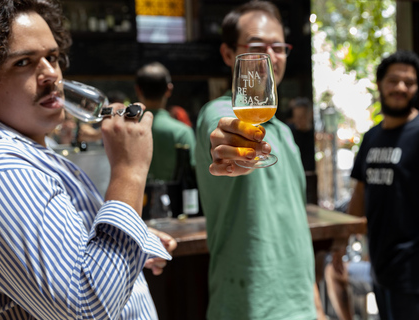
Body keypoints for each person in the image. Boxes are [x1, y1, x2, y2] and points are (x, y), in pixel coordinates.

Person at [0, 0, 177, 319]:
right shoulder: (3, 170)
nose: (51, 74)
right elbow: (87, 309)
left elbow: (69, 267)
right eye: (23, 63)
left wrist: (126, 243)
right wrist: (129, 171)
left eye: (53, 57)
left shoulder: (30, 152)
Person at [195, 1, 320, 319]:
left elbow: (294, 225)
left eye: (278, 47)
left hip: (300, 306)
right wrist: (230, 146)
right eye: (256, 47)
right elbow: (223, 131)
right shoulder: (219, 111)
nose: (269, 57)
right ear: (228, 55)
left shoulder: (284, 132)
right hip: (246, 307)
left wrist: (316, 304)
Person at [346, 50, 419, 319]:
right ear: (379, 84)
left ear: (416, 89)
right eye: (393, 80)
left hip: (417, 268)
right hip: (379, 263)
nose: (400, 88)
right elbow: (361, 190)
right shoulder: (371, 137)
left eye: (409, 82)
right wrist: (344, 238)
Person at [135, 62, 196, 181]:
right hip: (175, 197)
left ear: (138, 90)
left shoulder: (127, 129)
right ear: (169, 89)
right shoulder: (183, 132)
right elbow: (193, 171)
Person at [287, 97, 316, 173]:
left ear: (311, 114)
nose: (298, 120)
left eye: (302, 117)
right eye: (296, 117)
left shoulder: (315, 135)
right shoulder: (288, 133)